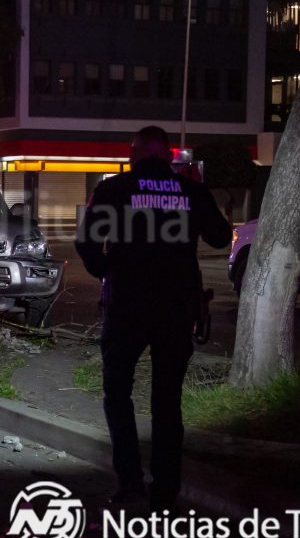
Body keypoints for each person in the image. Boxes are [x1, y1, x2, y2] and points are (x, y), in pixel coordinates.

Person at [76, 126, 231, 511]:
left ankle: (130, 482)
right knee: (167, 401)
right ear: (168, 155)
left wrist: (108, 269)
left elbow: (86, 242)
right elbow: (220, 237)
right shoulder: (191, 191)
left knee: (118, 393)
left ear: (137, 153)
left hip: (128, 307)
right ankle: (166, 489)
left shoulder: (114, 189)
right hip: (176, 311)